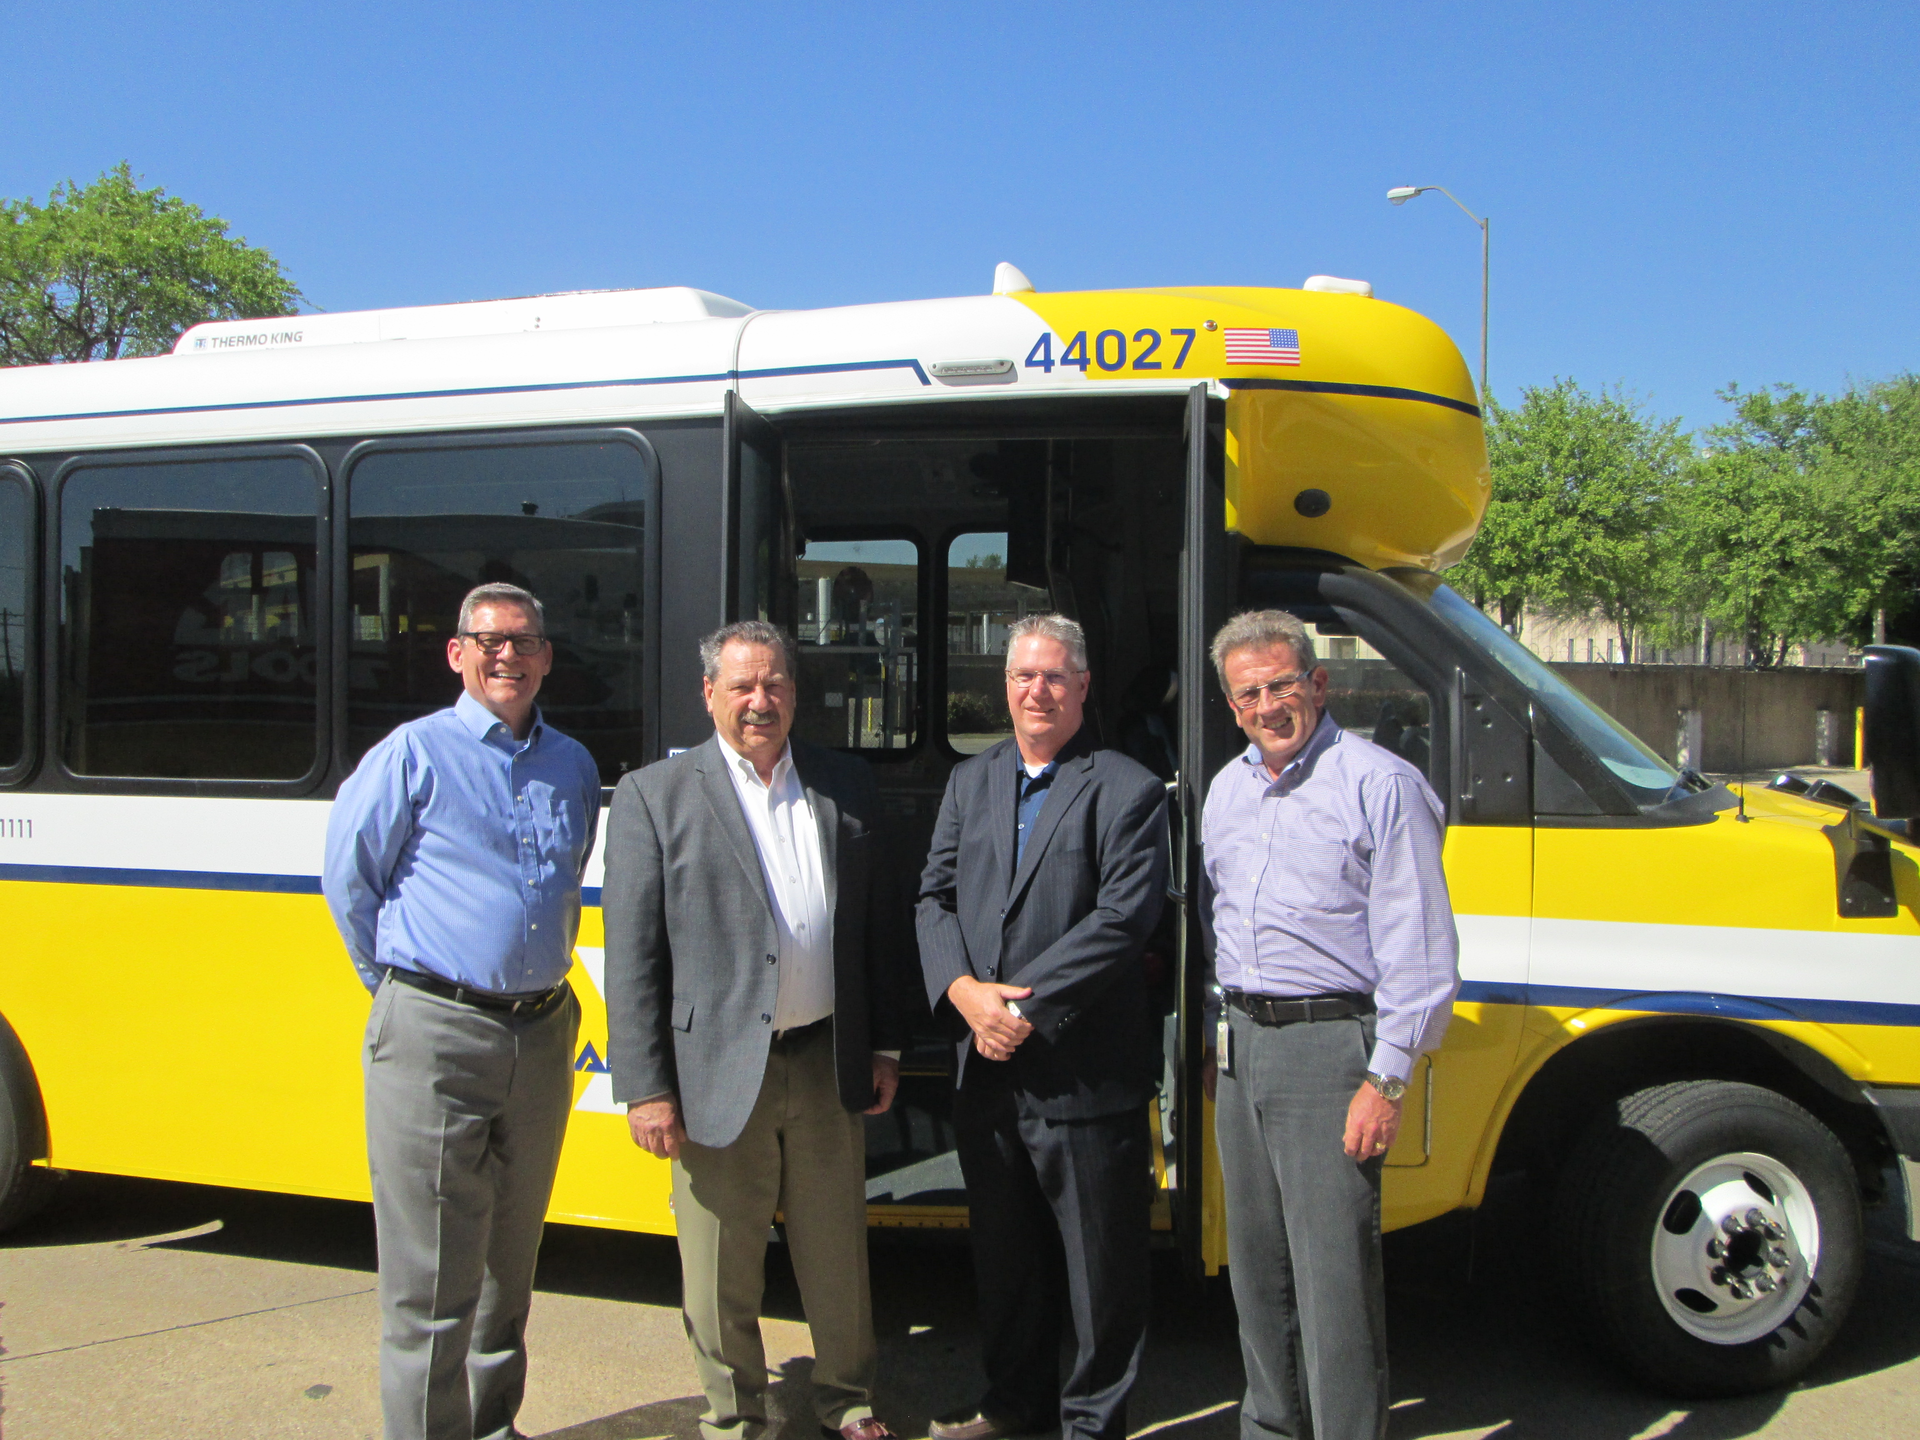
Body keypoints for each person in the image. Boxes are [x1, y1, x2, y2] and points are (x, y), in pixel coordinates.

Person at [601, 620, 904, 1440]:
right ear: (709, 694)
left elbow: (875, 927)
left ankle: (847, 1396)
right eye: (742, 686)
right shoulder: (651, 797)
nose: (759, 701)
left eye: (774, 684)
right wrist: (647, 1088)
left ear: (794, 694)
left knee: (837, 1253)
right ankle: (735, 1413)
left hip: (823, 1060)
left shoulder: (845, 785)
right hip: (711, 1073)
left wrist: (882, 1044)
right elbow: (631, 957)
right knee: (719, 1267)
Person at [323, 581, 600, 1440]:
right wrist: (410, 995)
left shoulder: (574, 765)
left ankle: (490, 1426)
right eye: (488, 640)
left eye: (523, 641)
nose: (506, 654)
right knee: (430, 1285)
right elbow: (349, 882)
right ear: (457, 653)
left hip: (542, 1030)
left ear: (547, 658)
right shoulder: (412, 754)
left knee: (508, 1270)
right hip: (437, 1035)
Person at [1200, 609, 1459, 1440]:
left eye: (1283, 684)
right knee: (1259, 1278)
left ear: (1319, 682)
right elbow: (1223, 922)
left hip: (1330, 1055)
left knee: (1334, 1286)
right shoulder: (1228, 789)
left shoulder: (1380, 785)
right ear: (1230, 706)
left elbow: (1420, 956)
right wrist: (1216, 1043)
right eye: (1249, 693)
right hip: (1243, 1051)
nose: (1268, 705)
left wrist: (1385, 1081)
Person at [916, 614, 1167, 1440]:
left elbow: (1123, 922)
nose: (1038, 690)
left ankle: (1094, 1425)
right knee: (1007, 1267)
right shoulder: (971, 781)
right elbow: (935, 897)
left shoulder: (1126, 789)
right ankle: (1013, 1409)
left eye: (1056, 676)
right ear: (1005, 684)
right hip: (987, 1077)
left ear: (1083, 688)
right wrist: (961, 992)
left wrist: (1014, 1009)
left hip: (1083, 1075)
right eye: (1024, 675)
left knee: (1102, 1279)